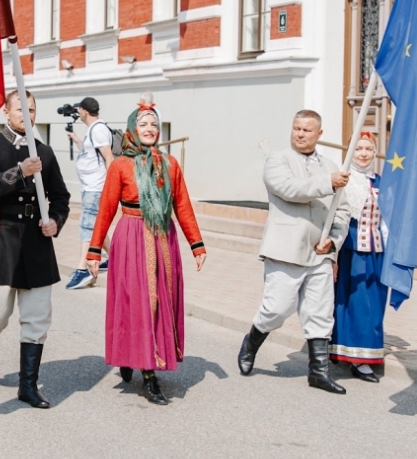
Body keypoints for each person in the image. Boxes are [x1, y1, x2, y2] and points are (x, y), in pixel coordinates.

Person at [85, 100, 207, 404]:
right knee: (139, 300)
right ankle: (148, 374)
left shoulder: (170, 164)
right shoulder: (121, 165)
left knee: (160, 299)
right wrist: (94, 251)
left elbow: (182, 206)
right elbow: (105, 211)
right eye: (143, 124)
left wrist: (197, 244)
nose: (150, 129)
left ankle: (140, 359)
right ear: (131, 130)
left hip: (164, 238)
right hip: (132, 236)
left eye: (154, 124)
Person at [0, 90, 70, 409]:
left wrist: (55, 220)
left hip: (36, 242)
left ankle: (27, 385)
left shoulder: (45, 152)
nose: (27, 114)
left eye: (32, 109)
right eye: (21, 109)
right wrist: (19, 173)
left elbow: (61, 197)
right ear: (6, 113)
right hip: (0, 238)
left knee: (38, 316)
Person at [236, 109, 353, 394]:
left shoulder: (330, 165)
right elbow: (290, 189)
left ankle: (318, 373)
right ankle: (251, 342)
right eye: (296, 128)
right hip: (285, 250)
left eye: (307, 130)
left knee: (320, 313)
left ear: (319, 134)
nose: (300, 134)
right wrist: (329, 182)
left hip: (319, 253)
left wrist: (333, 242)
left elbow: (343, 210)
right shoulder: (278, 160)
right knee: (277, 308)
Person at [331, 132, 386, 382]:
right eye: (359, 148)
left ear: (375, 154)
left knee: (374, 305)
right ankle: (355, 357)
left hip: (376, 251)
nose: (363, 153)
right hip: (351, 249)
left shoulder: (381, 182)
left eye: (368, 149)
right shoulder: (345, 180)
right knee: (353, 302)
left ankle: (366, 352)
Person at [64, 96, 116, 291]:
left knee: (87, 226)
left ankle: (83, 270)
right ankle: (116, 258)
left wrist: (110, 188)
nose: (78, 112)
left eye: (80, 110)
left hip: (96, 188)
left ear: (84, 111)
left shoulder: (99, 130)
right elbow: (90, 156)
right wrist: (77, 139)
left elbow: (109, 158)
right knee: (96, 228)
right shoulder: (93, 131)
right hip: (91, 188)